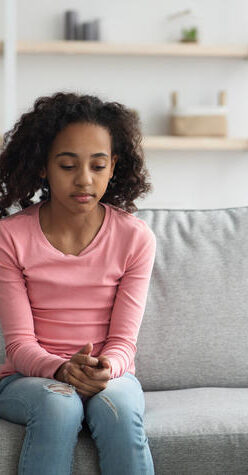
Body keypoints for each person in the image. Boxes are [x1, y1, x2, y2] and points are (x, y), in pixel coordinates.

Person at [0, 92, 156, 474]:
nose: (84, 180)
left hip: (110, 375)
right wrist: (62, 371)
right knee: (59, 402)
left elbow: (123, 343)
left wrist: (104, 367)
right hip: (30, 379)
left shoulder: (135, 238)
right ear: (44, 168)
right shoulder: (10, 237)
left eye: (98, 165)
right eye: (68, 165)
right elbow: (19, 346)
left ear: (113, 167)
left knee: (117, 407)